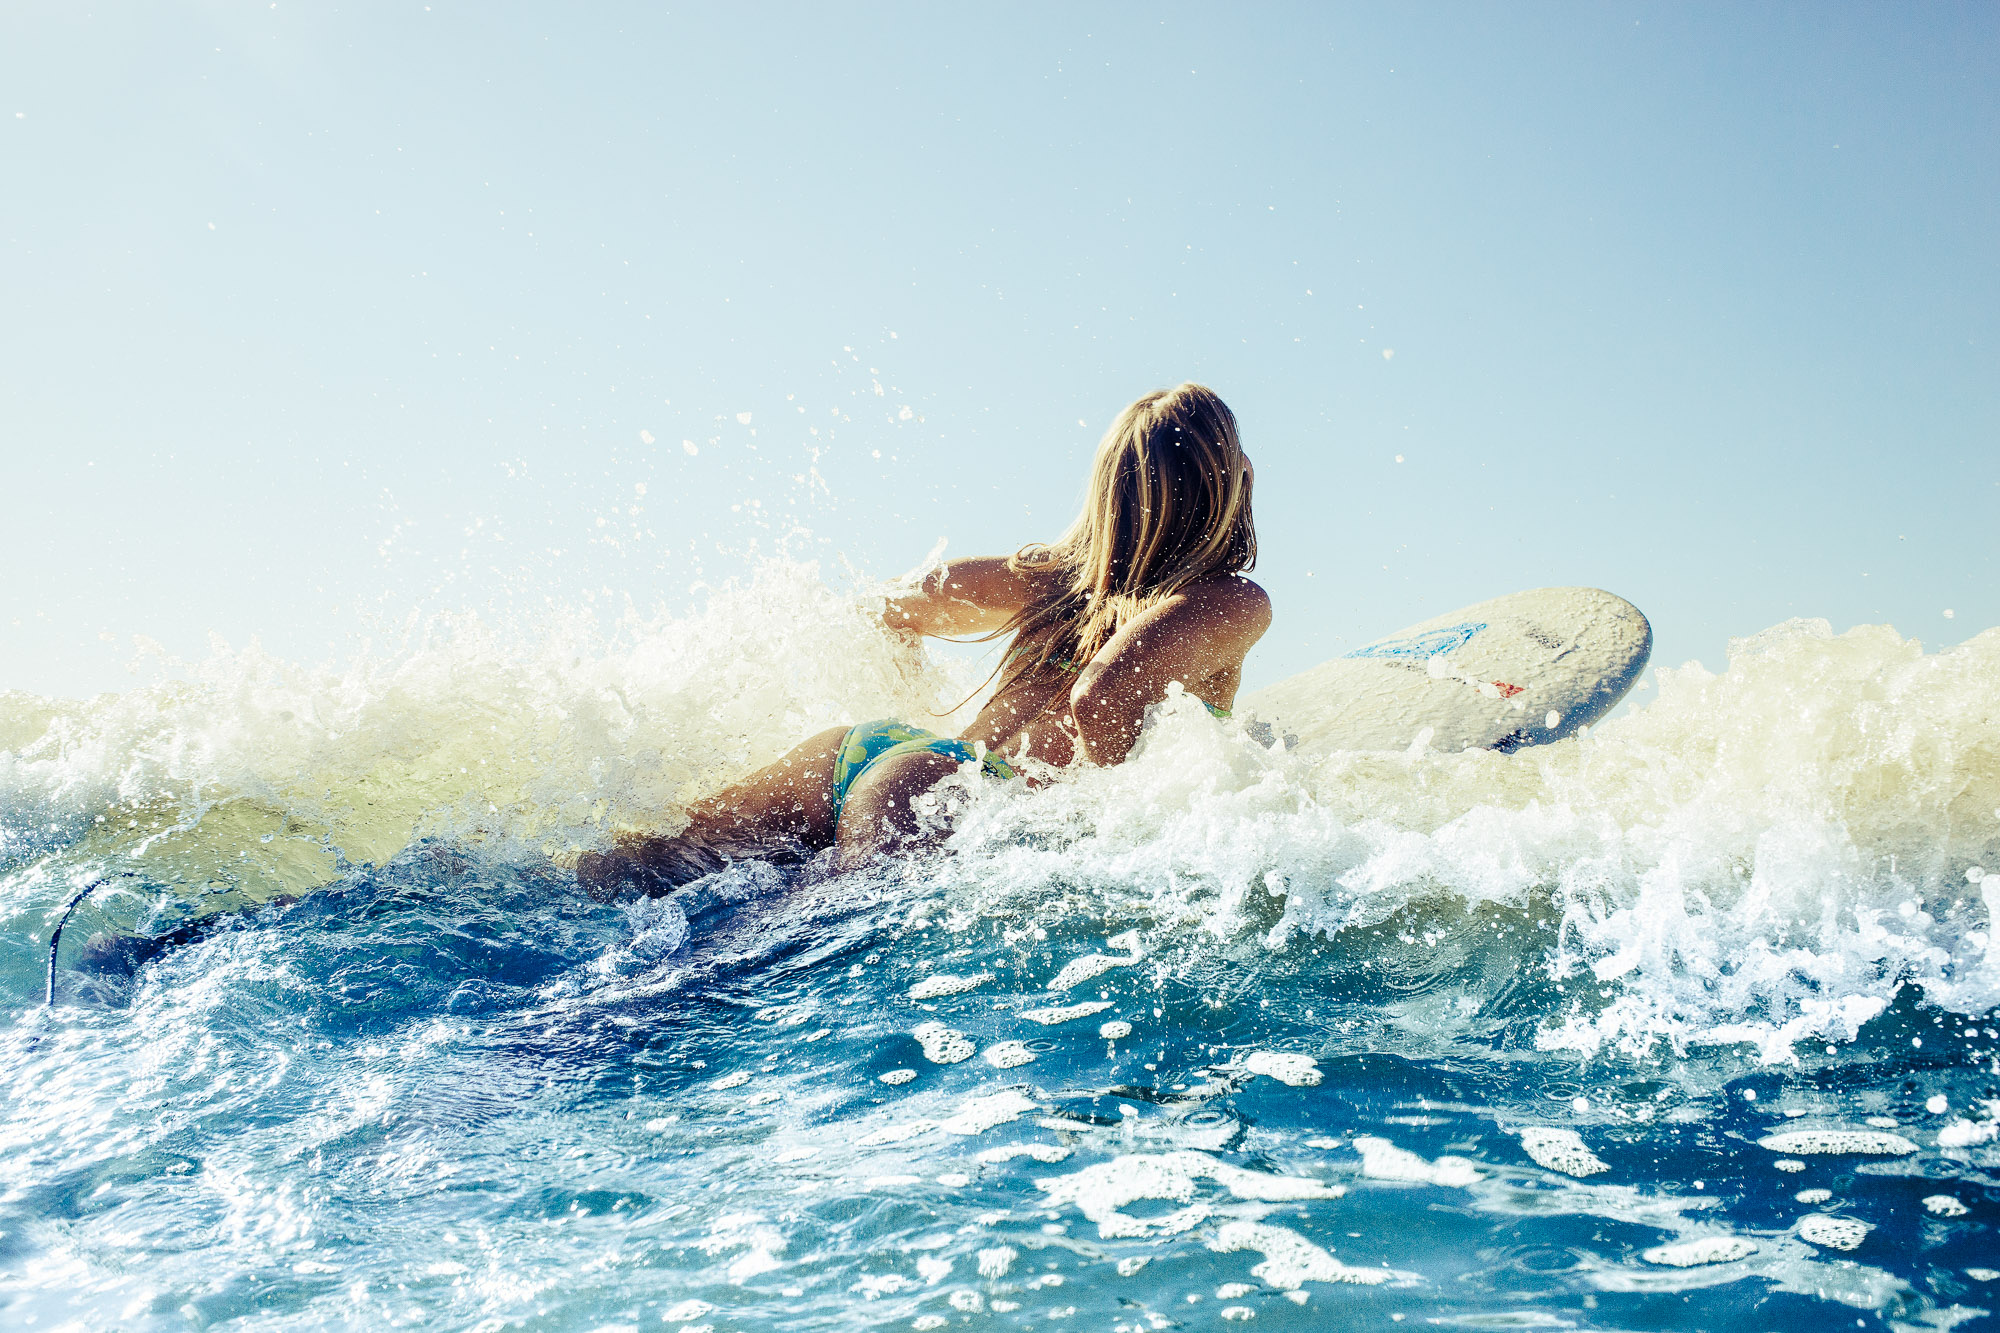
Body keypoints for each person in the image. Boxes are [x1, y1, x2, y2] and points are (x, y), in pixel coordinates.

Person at [576, 382, 1271, 897]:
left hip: (873, 753)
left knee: (631, 868)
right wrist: (1107, 829)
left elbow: (889, 608)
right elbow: (1101, 697)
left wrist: (919, 712)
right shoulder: (1230, 600)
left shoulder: (1049, 578)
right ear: (1225, 483)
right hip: (950, 796)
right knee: (740, 967)